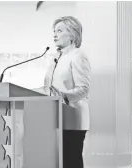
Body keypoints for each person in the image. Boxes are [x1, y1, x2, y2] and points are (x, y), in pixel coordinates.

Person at [43, 16, 91, 168]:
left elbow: (83, 89)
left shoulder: (78, 55)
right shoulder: (55, 58)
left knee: (70, 161)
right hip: (55, 117)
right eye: (54, 31)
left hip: (72, 119)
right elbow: (48, 87)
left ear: (72, 34)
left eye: (59, 30)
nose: (55, 34)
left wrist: (63, 96)